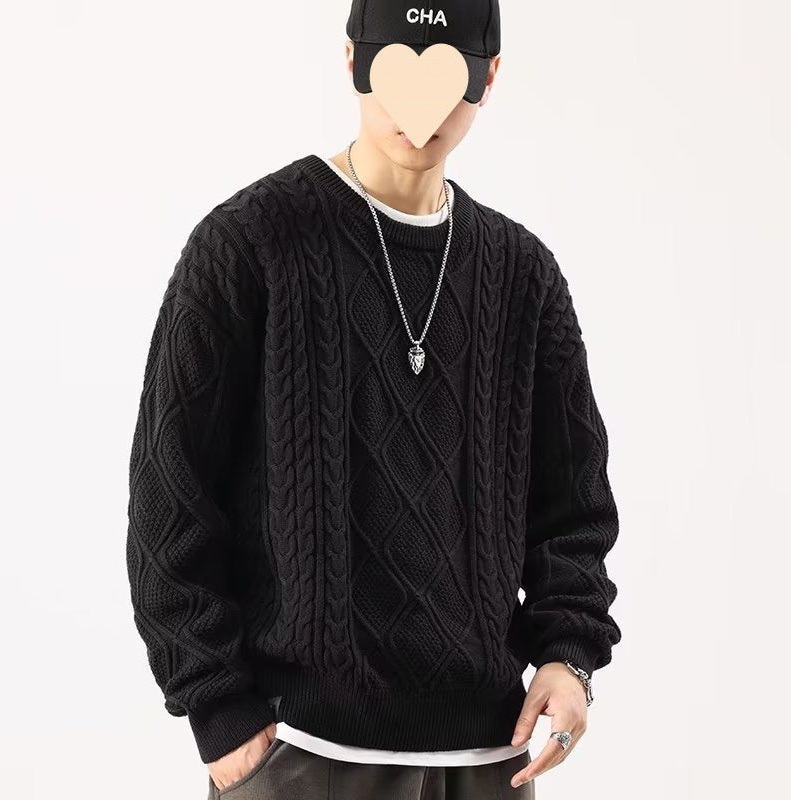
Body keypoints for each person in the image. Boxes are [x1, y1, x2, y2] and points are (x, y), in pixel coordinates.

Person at [125, 1, 622, 797]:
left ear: (489, 76)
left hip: (489, 758)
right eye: (394, 68)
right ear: (353, 59)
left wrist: (569, 656)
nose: (418, 109)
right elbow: (168, 492)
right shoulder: (249, 243)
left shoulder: (522, 275)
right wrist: (218, 711)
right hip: (297, 753)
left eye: (450, 74)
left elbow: (575, 503)